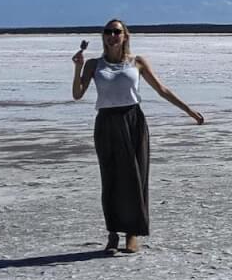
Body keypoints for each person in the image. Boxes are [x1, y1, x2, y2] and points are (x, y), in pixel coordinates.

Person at [70, 20, 205, 254]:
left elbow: (161, 89)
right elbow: (77, 94)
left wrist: (189, 110)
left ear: (125, 36)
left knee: (135, 176)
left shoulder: (137, 62)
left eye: (117, 32)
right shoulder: (94, 64)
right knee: (110, 178)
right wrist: (77, 68)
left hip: (133, 120)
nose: (112, 35)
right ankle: (113, 233)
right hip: (107, 122)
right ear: (103, 36)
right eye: (108, 32)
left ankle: (133, 233)